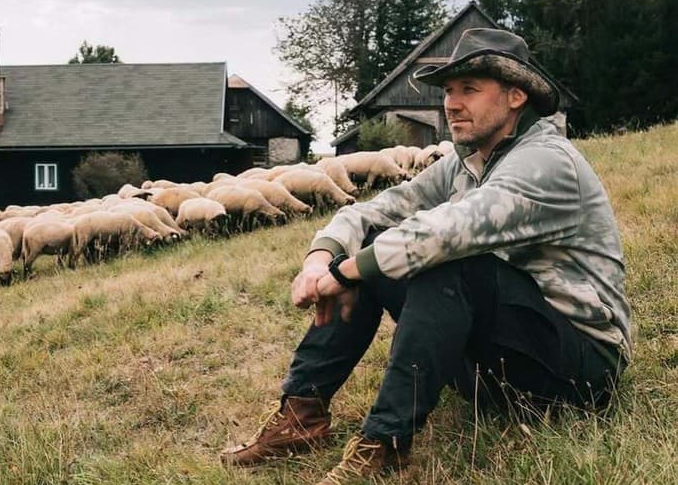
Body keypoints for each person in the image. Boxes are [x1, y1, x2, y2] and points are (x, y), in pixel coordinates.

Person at [220, 28, 631, 484]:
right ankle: (303, 414)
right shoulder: (466, 162)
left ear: (516, 96)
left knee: (441, 259)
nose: (451, 104)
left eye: (469, 90)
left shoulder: (547, 161)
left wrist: (348, 270)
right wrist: (324, 256)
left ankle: (386, 444)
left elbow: (449, 233)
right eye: (449, 91)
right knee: (375, 239)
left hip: (579, 371)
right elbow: (377, 210)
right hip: (499, 363)